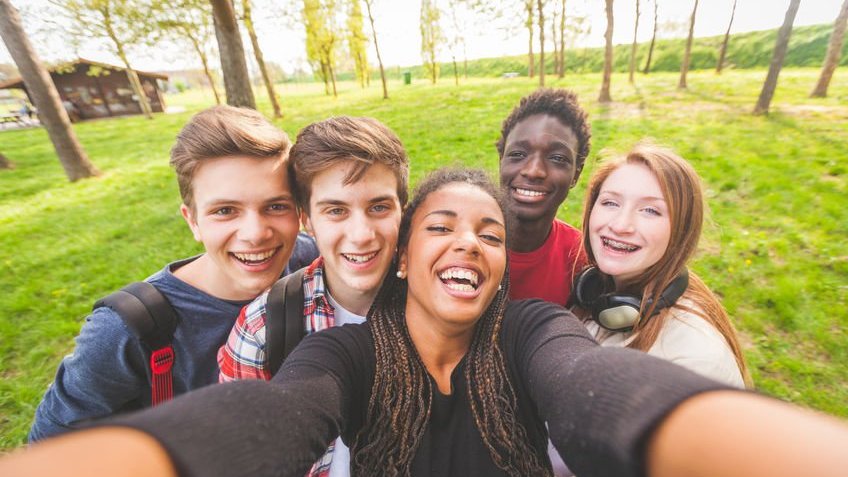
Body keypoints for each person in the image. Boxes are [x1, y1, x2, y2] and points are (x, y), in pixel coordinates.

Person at [3, 168, 848, 477]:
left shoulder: (531, 331)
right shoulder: (340, 350)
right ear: (405, 256)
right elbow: (273, 416)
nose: (468, 243)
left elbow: (604, 390)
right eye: (441, 225)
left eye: (487, 232)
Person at [28, 105, 318, 442]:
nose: (255, 233)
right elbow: (50, 448)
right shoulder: (127, 330)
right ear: (192, 220)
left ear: (299, 212)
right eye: (225, 211)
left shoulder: (309, 260)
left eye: (275, 206)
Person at [216, 116, 409, 476]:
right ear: (306, 219)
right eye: (336, 210)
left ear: (403, 209)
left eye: (379, 207)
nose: (361, 234)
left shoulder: (439, 306)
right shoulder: (263, 329)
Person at [573, 142, 749, 388]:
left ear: (681, 231)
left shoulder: (696, 362)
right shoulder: (595, 296)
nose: (621, 224)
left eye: (650, 211)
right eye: (611, 203)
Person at [497, 88, 591, 306]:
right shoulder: (462, 242)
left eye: (557, 158)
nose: (534, 171)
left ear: (576, 174)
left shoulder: (580, 259)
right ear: (501, 160)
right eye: (518, 154)